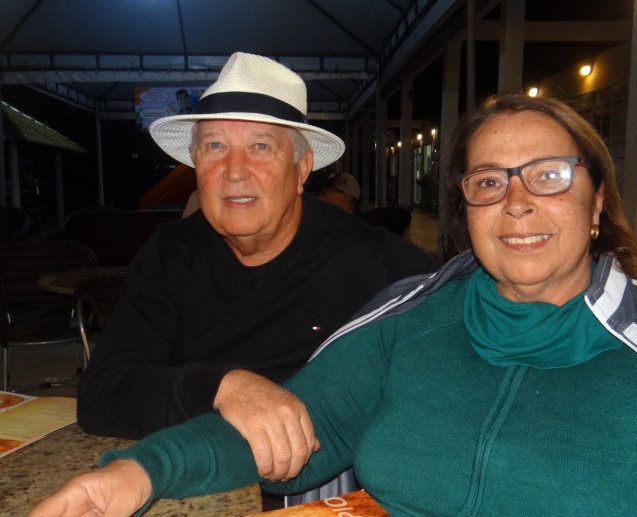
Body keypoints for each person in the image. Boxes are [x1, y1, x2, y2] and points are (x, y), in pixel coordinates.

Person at [34, 95, 637, 516]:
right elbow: (294, 424)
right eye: (490, 181)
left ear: (596, 202)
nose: (518, 202)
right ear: (466, 208)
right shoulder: (411, 317)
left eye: (549, 176)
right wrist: (136, 474)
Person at [76, 51, 437, 468]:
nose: (234, 171)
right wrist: (224, 387)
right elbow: (101, 395)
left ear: (301, 169)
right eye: (215, 146)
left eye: (260, 146)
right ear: (196, 165)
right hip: (196, 474)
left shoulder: (381, 263)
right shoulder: (170, 253)